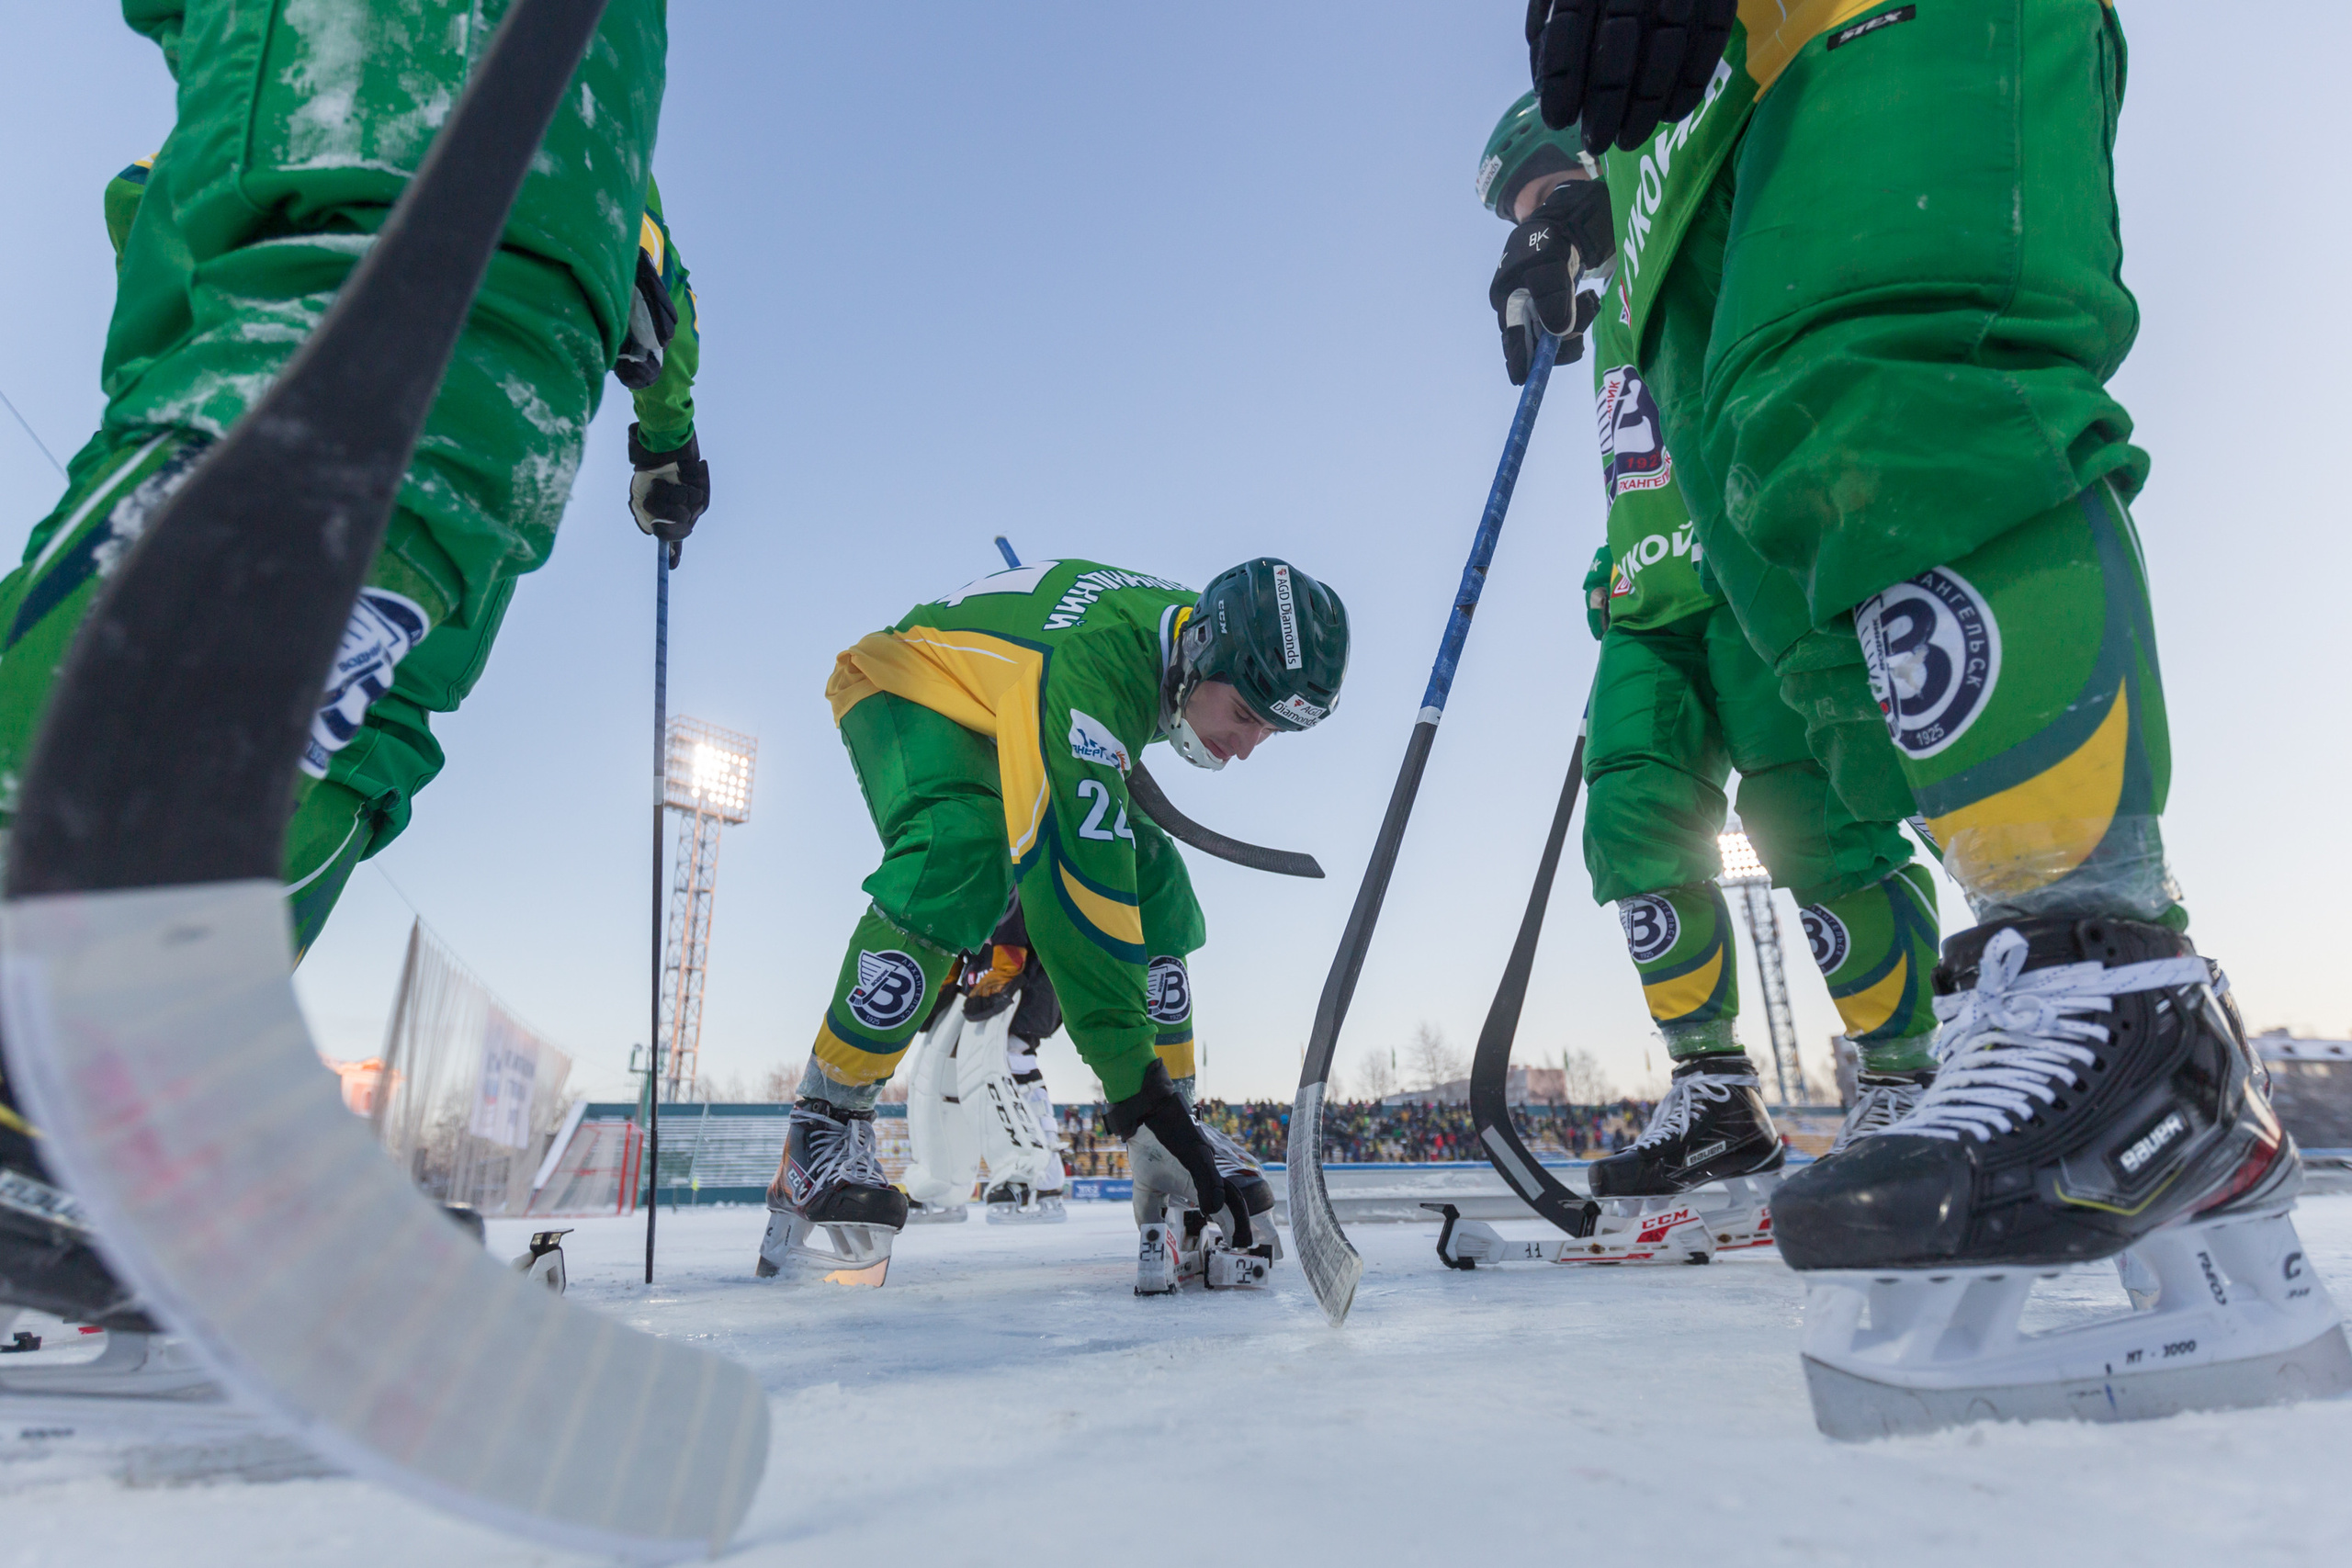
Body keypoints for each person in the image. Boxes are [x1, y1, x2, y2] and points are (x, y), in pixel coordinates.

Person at [1516, 1, 2342, 1422]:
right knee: (1803, 508)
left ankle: (2117, 981)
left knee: (1888, 379)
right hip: (1705, 134)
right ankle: (2053, 1002)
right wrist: (1584, 210)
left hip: (1851, 29)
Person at [1, 0, 695, 1365]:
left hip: (551, 234)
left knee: (366, 717)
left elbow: (656, 254)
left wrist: (666, 429)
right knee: (305, 456)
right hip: (401, 99)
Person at [1477, 93, 1944, 1211]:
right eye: (1522, 216)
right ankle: (1714, 1093)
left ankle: (1905, 1075)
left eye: (1546, 196)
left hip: (1754, 569)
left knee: (1813, 822)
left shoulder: (1696, 200)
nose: (1541, 225)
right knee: (1631, 816)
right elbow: (1642, 460)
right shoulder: (1593, 318)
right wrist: (1611, 558)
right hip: (1649, 600)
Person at [758, 556, 1345, 1283]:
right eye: (1247, 715)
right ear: (1202, 657)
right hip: (912, 685)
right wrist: (1136, 1097)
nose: (1248, 745)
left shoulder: (1191, 631)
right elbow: (1075, 888)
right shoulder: (1096, 671)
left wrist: (1164, 1108)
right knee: (963, 850)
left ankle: (1182, 1112)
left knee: (1155, 876)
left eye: (1272, 729)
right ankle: (824, 1122)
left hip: (1015, 698)